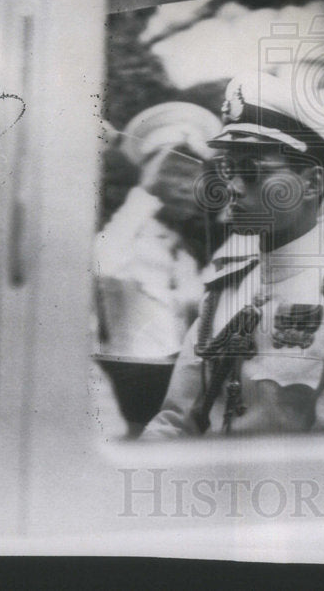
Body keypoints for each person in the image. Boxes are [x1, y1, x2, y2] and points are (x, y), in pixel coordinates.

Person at [143, 73, 324, 436]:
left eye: (253, 172)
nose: (233, 187)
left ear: (311, 183)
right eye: (229, 169)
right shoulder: (223, 292)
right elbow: (173, 424)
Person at [93, 102, 222, 434]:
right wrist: (143, 194)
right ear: (151, 176)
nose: (187, 188)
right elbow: (101, 266)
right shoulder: (125, 239)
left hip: (174, 389)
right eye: (175, 174)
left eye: (193, 177)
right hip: (126, 388)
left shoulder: (185, 254)